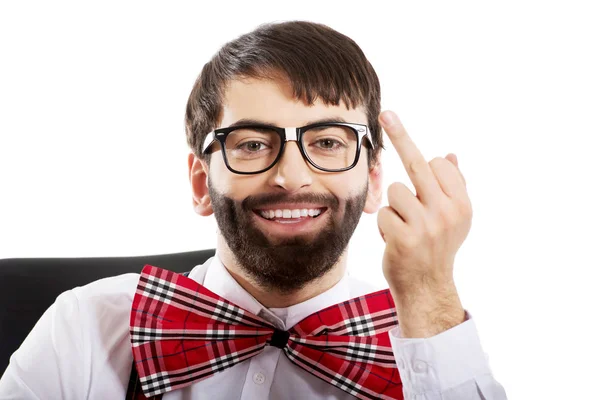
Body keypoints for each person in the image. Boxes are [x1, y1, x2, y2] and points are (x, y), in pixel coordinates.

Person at [0, 20, 507, 399]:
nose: (290, 175)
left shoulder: (427, 344)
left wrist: (429, 295)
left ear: (373, 181)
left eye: (328, 142)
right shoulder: (84, 329)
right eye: (251, 144)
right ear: (201, 182)